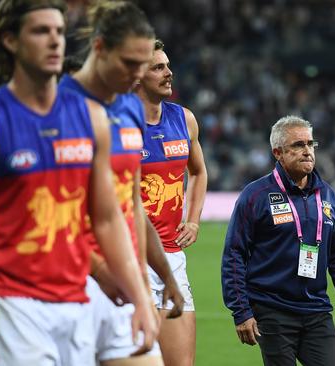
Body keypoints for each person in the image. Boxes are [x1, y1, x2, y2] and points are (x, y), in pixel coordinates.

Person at [0, 1, 158, 364]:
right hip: (13, 304)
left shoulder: (91, 119)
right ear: (10, 41)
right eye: (41, 31)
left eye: (59, 31)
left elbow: (107, 220)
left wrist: (140, 296)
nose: (55, 41)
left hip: (75, 300)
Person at [59, 1, 184, 364]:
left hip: (125, 280)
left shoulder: (129, 110)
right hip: (70, 281)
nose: (136, 74)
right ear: (100, 48)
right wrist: (98, 270)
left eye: (142, 65)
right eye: (130, 64)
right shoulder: (59, 108)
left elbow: (130, 208)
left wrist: (161, 278)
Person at [221, 115, 335, 366]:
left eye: (310, 144)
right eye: (298, 145)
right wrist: (241, 311)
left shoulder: (326, 195)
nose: (307, 151)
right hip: (272, 310)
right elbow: (234, 254)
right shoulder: (255, 195)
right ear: (278, 153)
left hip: (316, 310)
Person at [133, 39, 208, 366]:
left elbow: (199, 172)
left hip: (171, 259)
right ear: (136, 75)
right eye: (158, 67)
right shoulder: (119, 125)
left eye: (168, 65)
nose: (169, 73)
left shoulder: (184, 119)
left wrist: (192, 220)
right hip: (131, 259)